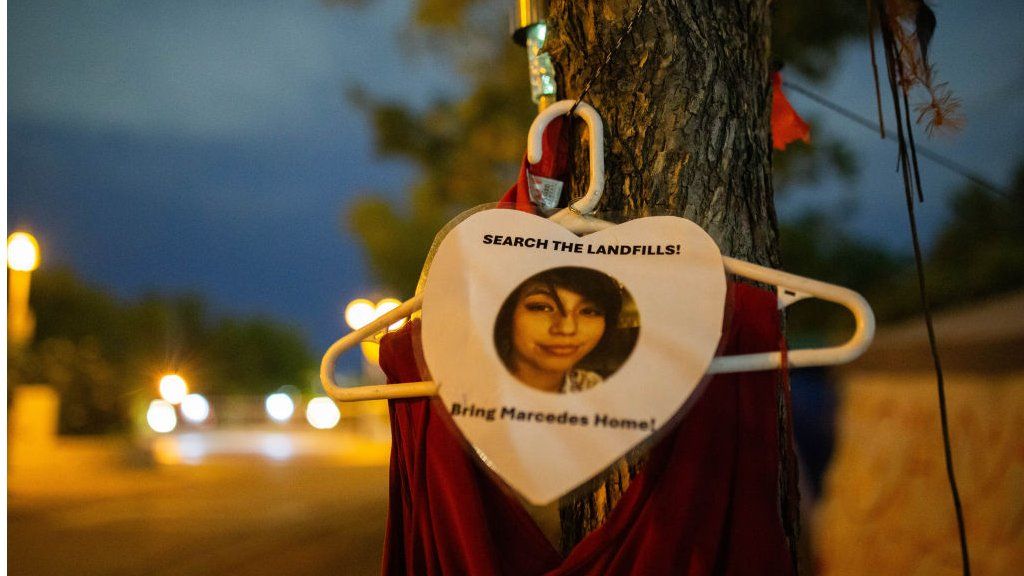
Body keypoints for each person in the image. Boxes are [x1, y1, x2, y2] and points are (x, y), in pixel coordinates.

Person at [494, 267, 625, 393]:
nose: (567, 329)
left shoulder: (592, 385)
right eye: (541, 307)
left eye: (588, 311)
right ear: (506, 313)